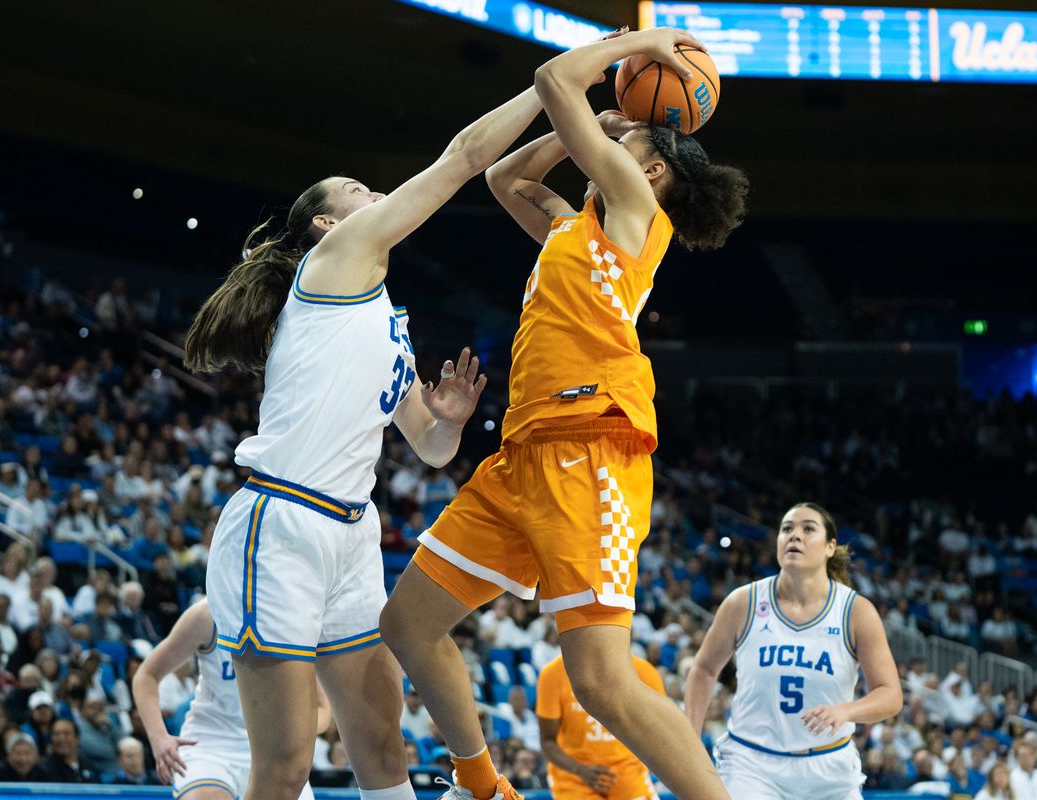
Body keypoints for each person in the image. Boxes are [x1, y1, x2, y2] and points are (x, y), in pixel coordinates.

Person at [380, 25, 747, 800]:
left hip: (591, 448)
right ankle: (486, 790)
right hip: (522, 456)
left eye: (625, 133)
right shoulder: (568, 227)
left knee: (601, 683)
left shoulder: (635, 213)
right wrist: (587, 127)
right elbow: (505, 179)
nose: (607, 126)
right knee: (406, 626)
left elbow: (554, 75)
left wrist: (637, 43)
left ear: (648, 170)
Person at [185, 55, 552, 800]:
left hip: (352, 531)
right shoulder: (329, 263)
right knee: (285, 767)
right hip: (281, 522)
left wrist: (446, 420)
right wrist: (553, 88)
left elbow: (430, 447)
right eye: (359, 190)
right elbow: (464, 159)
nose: (377, 193)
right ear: (326, 222)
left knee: (383, 750)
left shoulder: (386, 319)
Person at [684, 503, 903, 800]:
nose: (794, 536)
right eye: (787, 529)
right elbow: (704, 669)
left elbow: (890, 694)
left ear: (830, 547)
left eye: (808, 529)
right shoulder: (744, 602)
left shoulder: (855, 611)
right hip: (751, 763)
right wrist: (690, 743)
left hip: (829, 768)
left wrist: (845, 711)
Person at [133, 599, 331, 800]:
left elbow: (323, 709)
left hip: (273, 749)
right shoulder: (206, 615)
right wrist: (158, 737)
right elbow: (146, 676)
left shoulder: (293, 618)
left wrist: (290, 731)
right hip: (212, 745)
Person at [536, 653, 664, 800]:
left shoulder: (645, 672)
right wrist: (579, 770)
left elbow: (656, 733)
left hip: (629, 772)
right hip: (573, 776)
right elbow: (547, 742)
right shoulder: (552, 674)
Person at [40, 717, 98, 783]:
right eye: (56, 734)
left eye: (66, 734)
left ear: (77, 739)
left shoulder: (89, 765)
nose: (61, 738)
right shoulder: (43, 769)